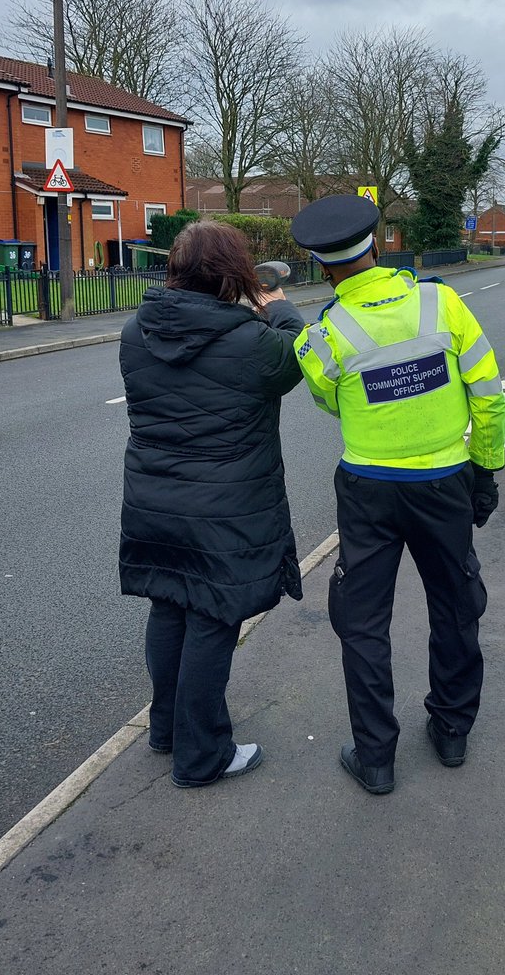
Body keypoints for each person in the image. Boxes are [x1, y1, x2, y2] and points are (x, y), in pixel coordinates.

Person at [291, 194, 505, 795]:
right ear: (378, 244)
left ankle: (375, 758)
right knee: (457, 602)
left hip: (369, 491)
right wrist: (485, 472)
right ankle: (452, 730)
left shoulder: (324, 335)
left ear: (319, 263)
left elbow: (330, 402)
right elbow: (487, 392)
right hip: (446, 483)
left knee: (362, 621)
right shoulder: (443, 301)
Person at [119, 220, 305, 788]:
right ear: (233, 272)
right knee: (214, 617)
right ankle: (203, 756)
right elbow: (292, 356)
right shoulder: (250, 340)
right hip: (225, 508)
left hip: (154, 498)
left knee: (169, 604)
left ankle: (167, 730)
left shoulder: (135, 330)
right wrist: (277, 304)